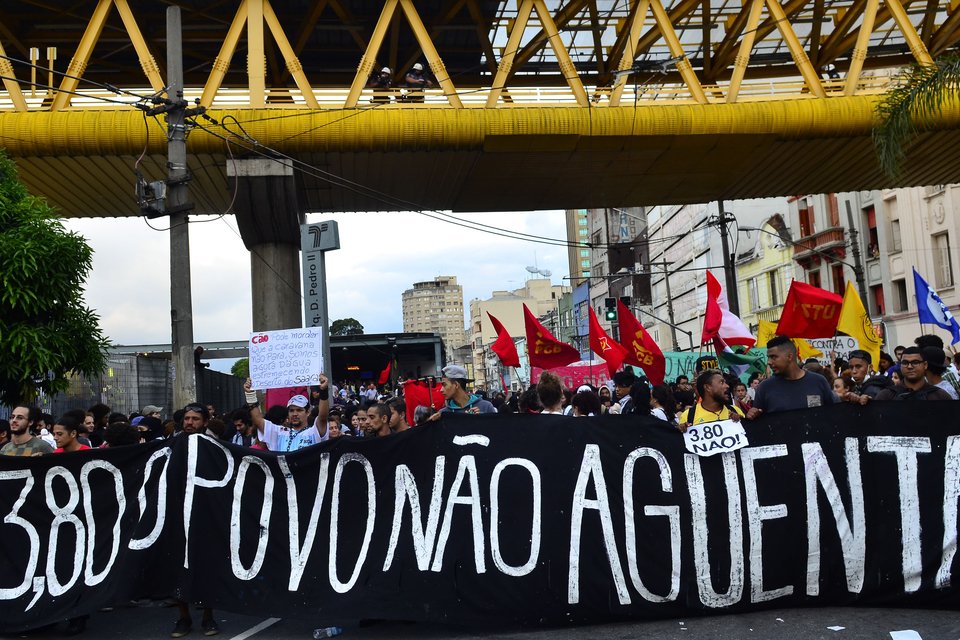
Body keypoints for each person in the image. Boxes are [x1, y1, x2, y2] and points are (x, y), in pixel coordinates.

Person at [170, 402, 220, 638]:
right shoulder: (172, 445)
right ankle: (184, 618)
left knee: (206, 566)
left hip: (205, 515)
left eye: (195, 419)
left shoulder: (214, 447)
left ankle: (209, 617)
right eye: (187, 418)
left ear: (205, 423)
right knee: (178, 567)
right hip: (176, 515)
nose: (189, 423)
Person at [747, 336, 837, 418]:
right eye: (768, 357)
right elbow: (758, 424)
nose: (769, 362)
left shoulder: (818, 381)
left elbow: (834, 414)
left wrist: (850, 401)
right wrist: (751, 415)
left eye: (773, 357)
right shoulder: (764, 387)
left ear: (790, 356)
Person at [244, 375, 330, 451]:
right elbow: (258, 420)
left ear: (308, 412)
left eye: (299, 410)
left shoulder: (314, 432)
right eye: (291, 410)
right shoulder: (279, 433)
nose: (295, 414)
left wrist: (323, 392)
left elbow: (322, 417)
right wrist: (250, 394)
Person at [874, 346, 953, 401]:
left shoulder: (940, 396)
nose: (909, 366)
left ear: (925, 365)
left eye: (915, 362)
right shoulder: (887, 396)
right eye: (905, 363)